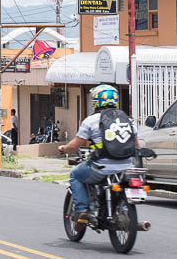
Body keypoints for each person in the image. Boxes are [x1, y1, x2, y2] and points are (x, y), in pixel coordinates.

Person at [58, 84, 139, 226]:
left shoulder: (91, 120)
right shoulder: (127, 120)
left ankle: (82, 210)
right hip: (126, 167)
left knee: (75, 175)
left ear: (96, 101)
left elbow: (74, 146)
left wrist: (63, 148)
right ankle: (123, 210)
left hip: (102, 167)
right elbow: (136, 145)